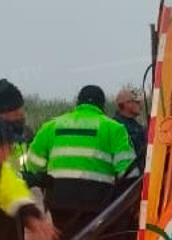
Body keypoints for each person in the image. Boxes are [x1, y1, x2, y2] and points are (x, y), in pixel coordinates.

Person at [27, 85, 138, 239]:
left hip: (60, 202)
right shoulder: (114, 129)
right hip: (98, 204)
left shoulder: (51, 126)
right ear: (101, 106)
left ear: (78, 103)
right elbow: (129, 173)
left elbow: (33, 164)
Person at [0, 79, 37, 237]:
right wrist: (29, 178)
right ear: (1, 112)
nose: (21, 114)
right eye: (15, 110)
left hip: (14, 211)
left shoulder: (23, 133)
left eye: (20, 108)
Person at [114, 88, 147, 158]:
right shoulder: (116, 126)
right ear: (125, 104)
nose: (139, 104)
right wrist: (145, 133)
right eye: (135, 101)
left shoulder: (135, 125)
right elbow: (130, 145)